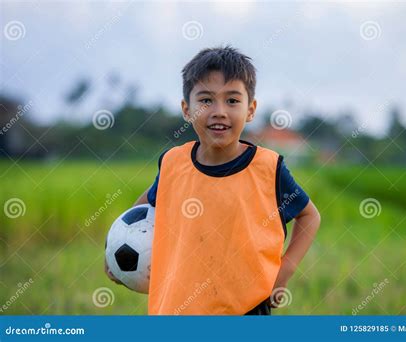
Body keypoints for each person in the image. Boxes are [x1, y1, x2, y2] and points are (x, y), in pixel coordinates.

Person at [106, 46, 321, 315]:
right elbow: (149, 206)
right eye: (206, 100)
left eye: (232, 101)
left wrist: (284, 271)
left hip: (247, 310)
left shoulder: (268, 168)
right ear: (187, 110)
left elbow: (309, 215)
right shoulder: (174, 163)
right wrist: (116, 247)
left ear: (251, 109)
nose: (219, 111)